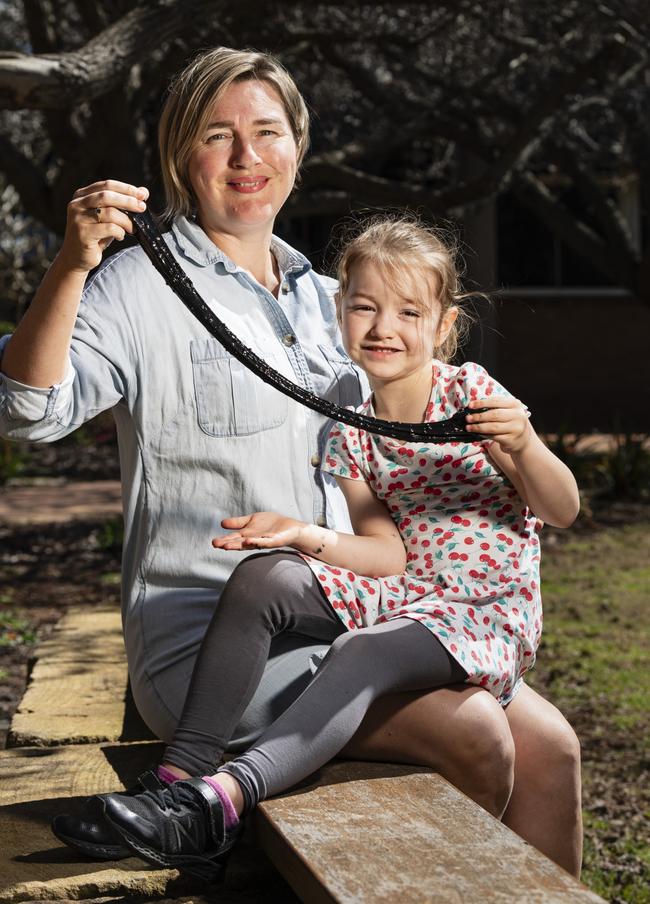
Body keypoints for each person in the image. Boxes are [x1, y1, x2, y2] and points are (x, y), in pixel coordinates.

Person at [0, 46, 583, 875]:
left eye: (267, 132)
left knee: (554, 748)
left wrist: (508, 440)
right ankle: (229, 810)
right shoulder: (135, 285)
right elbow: (29, 410)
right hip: (215, 646)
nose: (247, 157)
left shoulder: (330, 302)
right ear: (180, 156)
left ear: (297, 151)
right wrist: (71, 263)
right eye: (218, 134)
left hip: (360, 613)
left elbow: (405, 466)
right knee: (477, 733)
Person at [89, 216, 579, 880]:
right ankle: (178, 778)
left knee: (359, 651)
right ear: (339, 313)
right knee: (267, 577)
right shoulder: (353, 430)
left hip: (483, 615)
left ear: (443, 326)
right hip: (414, 595)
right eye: (364, 307)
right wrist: (299, 536)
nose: (384, 327)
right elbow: (387, 556)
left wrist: (523, 447)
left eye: (409, 311)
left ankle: (223, 801)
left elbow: (562, 508)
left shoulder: (472, 396)